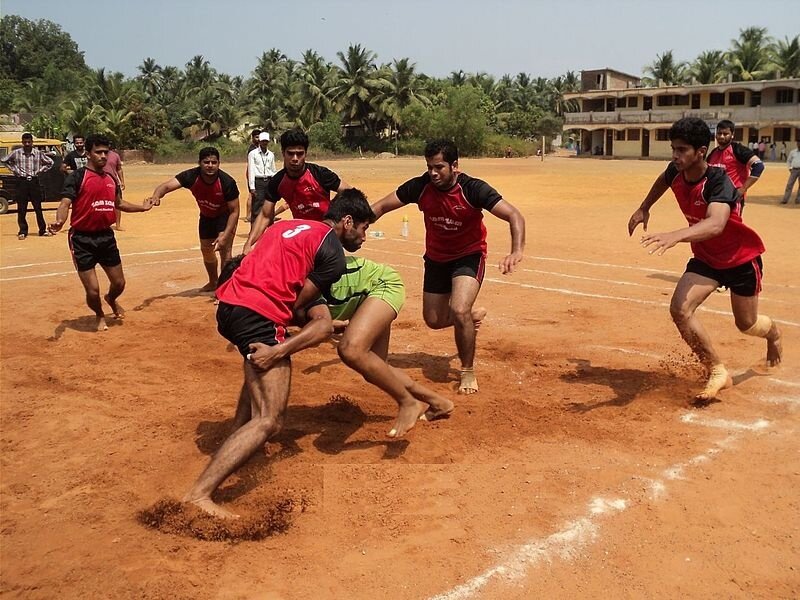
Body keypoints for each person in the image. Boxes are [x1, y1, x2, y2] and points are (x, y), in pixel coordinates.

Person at [183, 190, 375, 519]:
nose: (363, 236)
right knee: (270, 419)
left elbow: (260, 270)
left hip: (229, 307)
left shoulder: (287, 227)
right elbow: (301, 307)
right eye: (363, 228)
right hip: (258, 315)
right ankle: (199, 494)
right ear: (347, 222)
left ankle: (236, 439)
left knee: (256, 369)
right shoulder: (332, 252)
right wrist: (281, 349)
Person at [627, 117, 782, 403]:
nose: (675, 155)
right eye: (673, 148)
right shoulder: (676, 170)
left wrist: (677, 235)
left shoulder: (718, 181)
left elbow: (715, 224)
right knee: (680, 310)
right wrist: (643, 208)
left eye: (682, 150)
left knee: (745, 324)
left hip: (740, 259)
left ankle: (773, 334)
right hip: (707, 259)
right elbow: (662, 181)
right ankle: (717, 370)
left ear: (701, 151)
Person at [370, 139, 526, 395]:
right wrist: (357, 225)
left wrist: (516, 250)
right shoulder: (420, 186)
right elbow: (381, 206)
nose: (433, 173)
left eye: (439, 167)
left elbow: (513, 215)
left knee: (459, 308)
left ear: (455, 166)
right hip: (436, 259)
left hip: (468, 256)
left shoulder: (473, 189)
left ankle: (467, 370)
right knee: (433, 320)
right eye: (430, 166)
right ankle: (469, 318)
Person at [321, 256, 455, 438]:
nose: (365, 236)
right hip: (363, 292)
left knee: (354, 352)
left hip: (380, 286)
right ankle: (438, 402)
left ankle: (409, 403)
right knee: (375, 366)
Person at [48, 134, 153, 331]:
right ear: (88, 154)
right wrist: (59, 221)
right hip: (82, 239)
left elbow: (119, 204)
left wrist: (142, 207)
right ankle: (99, 314)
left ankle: (111, 299)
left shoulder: (111, 178)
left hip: (106, 237)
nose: (103, 156)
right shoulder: (77, 177)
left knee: (119, 283)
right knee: (93, 290)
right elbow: (65, 203)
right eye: (98, 152)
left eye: (106, 152)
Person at [243, 128, 351, 253]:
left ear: (306, 153)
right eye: (290, 153)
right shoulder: (277, 182)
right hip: (303, 237)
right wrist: (249, 243)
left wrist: (335, 210)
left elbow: (350, 192)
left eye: (300, 153)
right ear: (283, 153)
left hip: (327, 235)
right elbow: (265, 216)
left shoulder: (321, 174)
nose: (295, 158)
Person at [147, 147, 240, 291]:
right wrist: (156, 196)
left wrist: (226, 234)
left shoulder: (227, 182)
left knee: (225, 251)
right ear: (200, 163)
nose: (210, 165)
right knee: (206, 250)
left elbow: (235, 211)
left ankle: (224, 288)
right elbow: (165, 186)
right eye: (206, 162)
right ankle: (213, 281)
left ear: (219, 163)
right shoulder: (191, 176)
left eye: (214, 162)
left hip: (225, 217)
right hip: (206, 216)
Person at [0, 132, 55, 239]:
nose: (27, 144)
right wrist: (15, 170)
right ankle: (23, 231)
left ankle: (42, 230)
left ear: (32, 142)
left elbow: (50, 162)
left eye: (29, 142)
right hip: (21, 181)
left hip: (34, 181)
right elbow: (4, 160)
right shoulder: (16, 153)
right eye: (25, 142)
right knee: (21, 208)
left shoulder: (38, 153)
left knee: (38, 207)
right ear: (22, 142)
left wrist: (40, 170)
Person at [707, 120, 764, 213]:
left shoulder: (738, 150)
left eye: (725, 134)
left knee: (732, 227)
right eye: (719, 133)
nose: (721, 136)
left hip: (732, 198)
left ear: (732, 135)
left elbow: (758, 166)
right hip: (715, 198)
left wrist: (743, 189)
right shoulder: (713, 153)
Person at [246, 131, 277, 223]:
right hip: (258, 181)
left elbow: (273, 169)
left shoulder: (271, 154)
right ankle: (254, 229)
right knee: (257, 206)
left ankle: (269, 227)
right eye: (263, 141)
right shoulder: (253, 153)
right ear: (259, 141)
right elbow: (251, 170)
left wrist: (275, 183)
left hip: (269, 180)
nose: (264, 143)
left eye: (266, 141)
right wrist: (252, 187)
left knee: (270, 205)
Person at [103, 141, 125, 230]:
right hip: (101, 182)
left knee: (118, 204)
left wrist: (122, 181)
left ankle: (118, 224)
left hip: (114, 183)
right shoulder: (98, 155)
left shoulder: (115, 156)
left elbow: (119, 169)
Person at [243, 128, 261, 223]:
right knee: (251, 194)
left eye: (259, 137)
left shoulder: (259, 148)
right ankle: (248, 215)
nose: (258, 139)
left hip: (257, 173)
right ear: (253, 138)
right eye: (256, 137)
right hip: (252, 173)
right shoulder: (252, 149)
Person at [780, 140, 800, 204]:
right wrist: (790, 168)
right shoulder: (793, 152)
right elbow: (788, 161)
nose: (799, 144)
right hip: (794, 170)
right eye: (798, 143)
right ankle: (785, 199)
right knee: (789, 184)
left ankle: (798, 200)